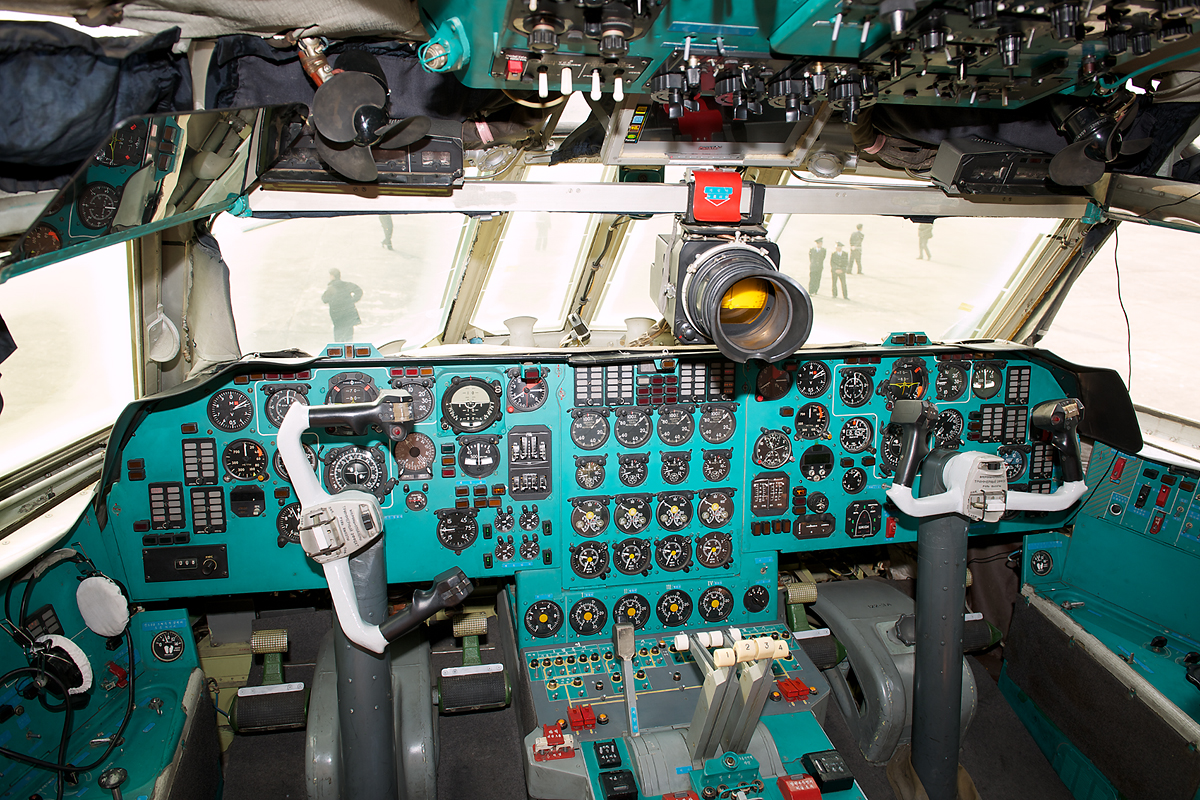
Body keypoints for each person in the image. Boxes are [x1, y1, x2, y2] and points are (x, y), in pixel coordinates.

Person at [322, 268, 363, 342]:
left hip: (337, 316)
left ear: (332, 276)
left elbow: (324, 299)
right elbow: (358, 291)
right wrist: (353, 300)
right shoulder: (347, 285)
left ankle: (339, 351)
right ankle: (349, 352)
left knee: (339, 337)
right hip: (349, 314)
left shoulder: (331, 288)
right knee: (349, 337)